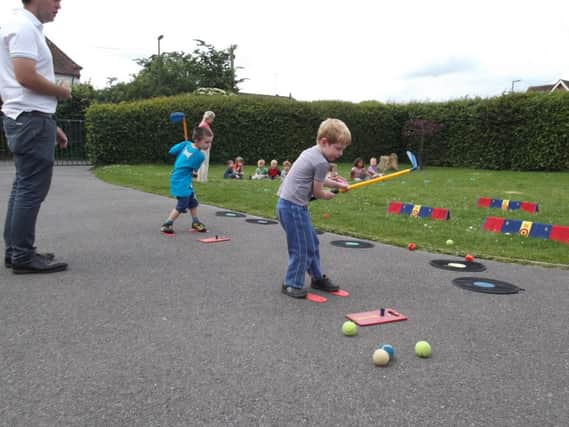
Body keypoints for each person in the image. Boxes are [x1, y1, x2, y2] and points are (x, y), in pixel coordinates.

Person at [1, 0, 72, 274]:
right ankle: (22, 256)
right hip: (30, 120)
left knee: (23, 187)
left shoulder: (17, 26)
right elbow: (25, 76)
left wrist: (49, 124)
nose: (59, 5)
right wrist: (61, 91)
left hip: (28, 118)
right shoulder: (24, 28)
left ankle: (15, 251)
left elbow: (11, 86)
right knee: (31, 189)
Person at [276, 118, 351, 298]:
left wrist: (338, 185)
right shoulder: (321, 162)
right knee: (301, 247)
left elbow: (319, 179)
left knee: (312, 243)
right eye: (338, 148)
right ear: (324, 142)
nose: (340, 153)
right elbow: (317, 191)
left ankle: (317, 278)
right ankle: (291, 283)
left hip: (291, 205)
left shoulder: (312, 153)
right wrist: (328, 194)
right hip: (292, 207)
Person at [160, 127, 213, 234]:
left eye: (210, 142)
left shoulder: (186, 144)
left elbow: (172, 151)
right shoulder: (200, 156)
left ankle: (195, 222)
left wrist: (184, 143)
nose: (208, 145)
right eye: (206, 142)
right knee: (182, 204)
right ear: (197, 140)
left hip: (180, 178)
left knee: (193, 202)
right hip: (181, 181)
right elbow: (194, 171)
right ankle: (167, 223)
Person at [196, 110, 215, 183]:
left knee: (204, 162)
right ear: (208, 117)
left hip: (205, 145)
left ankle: (202, 178)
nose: (212, 120)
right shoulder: (203, 125)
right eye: (212, 118)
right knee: (203, 162)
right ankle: (202, 179)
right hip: (204, 145)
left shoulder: (204, 124)